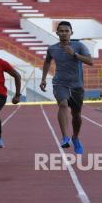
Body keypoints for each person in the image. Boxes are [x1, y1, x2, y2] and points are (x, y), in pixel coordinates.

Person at [39, 21, 93, 154]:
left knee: (76, 115)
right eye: (61, 31)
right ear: (57, 33)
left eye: (66, 31)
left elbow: (90, 61)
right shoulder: (52, 49)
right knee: (63, 105)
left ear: (71, 33)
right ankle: (64, 137)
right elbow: (47, 62)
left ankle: (75, 137)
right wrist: (43, 79)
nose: (63, 33)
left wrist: (74, 54)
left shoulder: (79, 46)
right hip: (60, 83)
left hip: (77, 85)